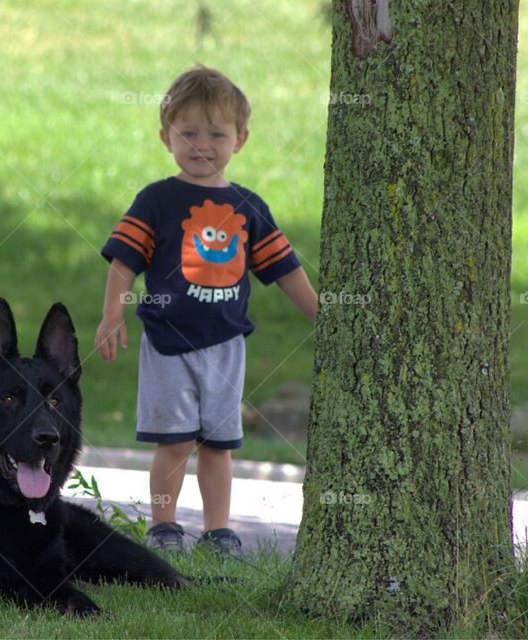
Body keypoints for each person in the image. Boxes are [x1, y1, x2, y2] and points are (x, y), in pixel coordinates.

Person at [95, 65, 318, 555]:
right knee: (173, 442)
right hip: (167, 345)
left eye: (216, 134)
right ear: (166, 137)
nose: (201, 145)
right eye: (188, 133)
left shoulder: (248, 207)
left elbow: (284, 269)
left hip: (225, 346)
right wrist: (112, 314)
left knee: (219, 444)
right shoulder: (156, 200)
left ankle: (219, 532)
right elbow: (124, 262)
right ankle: (164, 528)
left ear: (240, 139)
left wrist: (321, 315)